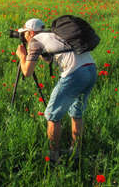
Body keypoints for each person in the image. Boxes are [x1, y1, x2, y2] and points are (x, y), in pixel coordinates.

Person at [15, 18, 97, 164]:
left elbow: (27, 72)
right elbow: (51, 58)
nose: (24, 36)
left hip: (74, 74)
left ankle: (53, 156)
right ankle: (75, 152)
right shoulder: (55, 34)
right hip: (91, 69)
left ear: (31, 32)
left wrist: (22, 55)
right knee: (76, 112)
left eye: (25, 33)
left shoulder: (35, 41)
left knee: (52, 115)